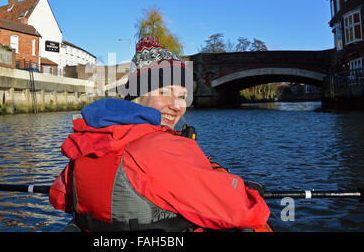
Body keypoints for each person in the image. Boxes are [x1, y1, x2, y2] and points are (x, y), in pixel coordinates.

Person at [49, 36, 270, 231]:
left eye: (182, 96)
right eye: (164, 92)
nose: (176, 106)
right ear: (138, 95)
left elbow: (59, 197)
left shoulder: (89, 139)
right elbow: (243, 211)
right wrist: (250, 192)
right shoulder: (165, 149)